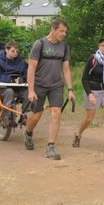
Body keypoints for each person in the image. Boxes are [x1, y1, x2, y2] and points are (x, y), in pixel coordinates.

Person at [24, 18, 76, 160]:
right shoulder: (39, 44)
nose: (64, 34)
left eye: (65, 31)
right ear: (52, 29)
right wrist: (31, 90)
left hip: (56, 85)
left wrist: (70, 89)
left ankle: (51, 147)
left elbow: (65, 69)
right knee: (36, 116)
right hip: (39, 85)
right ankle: (28, 133)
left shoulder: (64, 47)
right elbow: (31, 68)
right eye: (61, 31)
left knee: (56, 113)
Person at [73, 38, 104, 152]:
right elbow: (84, 79)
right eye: (102, 45)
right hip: (93, 91)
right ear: (99, 47)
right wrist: (89, 94)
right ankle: (78, 134)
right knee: (89, 118)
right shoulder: (93, 59)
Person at [0, 40, 29, 110]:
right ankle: (7, 117)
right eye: (13, 51)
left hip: (18, 87)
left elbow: (27, 74)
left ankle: (24, 115)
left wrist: (23, 79)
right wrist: (12, 80)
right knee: (9, 92)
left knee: (29, 92)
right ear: (6, 50)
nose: (15, 53)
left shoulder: (21, 62)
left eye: (17, 51)